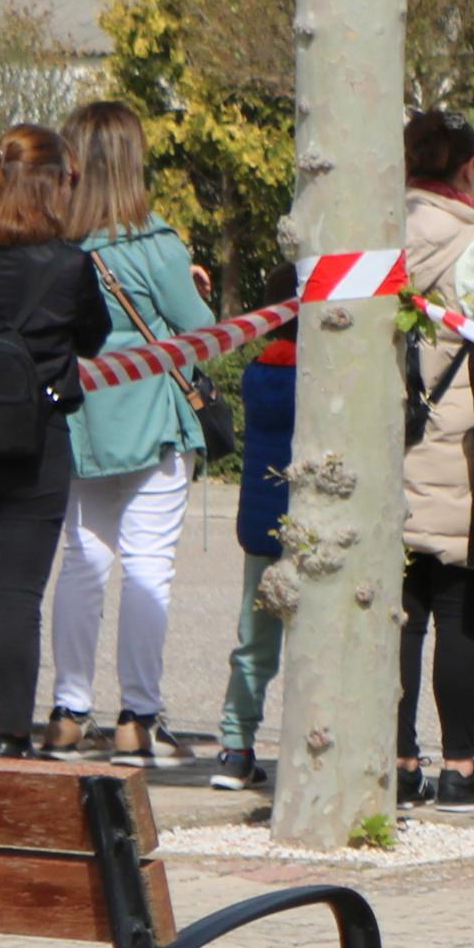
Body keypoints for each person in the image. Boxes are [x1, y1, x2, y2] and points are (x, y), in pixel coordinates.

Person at [48, 99, 213, 763]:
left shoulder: (56, 245)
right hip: (152, 419)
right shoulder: (156, 243)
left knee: (82, 562)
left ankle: (67, 710)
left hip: (79, 420)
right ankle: (137, 718)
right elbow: (202, 332)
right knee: (149, 565)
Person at [0, 127, 109, 755]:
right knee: (18, 601)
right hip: (36, 446)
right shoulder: (70, 265)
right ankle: (11, 739)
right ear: (54, 184)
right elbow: (91, 340)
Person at [396, 110, 474, 811]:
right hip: (460, 445)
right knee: (462, 611)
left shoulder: (376, 233)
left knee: (402, 616)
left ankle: (400, 760)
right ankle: (460, 767)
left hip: (394, 442)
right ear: (467, 168)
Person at [207, 308, 293, 794]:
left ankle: (235, 747)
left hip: (262, 525)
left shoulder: (259, 374)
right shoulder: (326, 374)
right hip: (314, 525)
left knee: (254, 643)